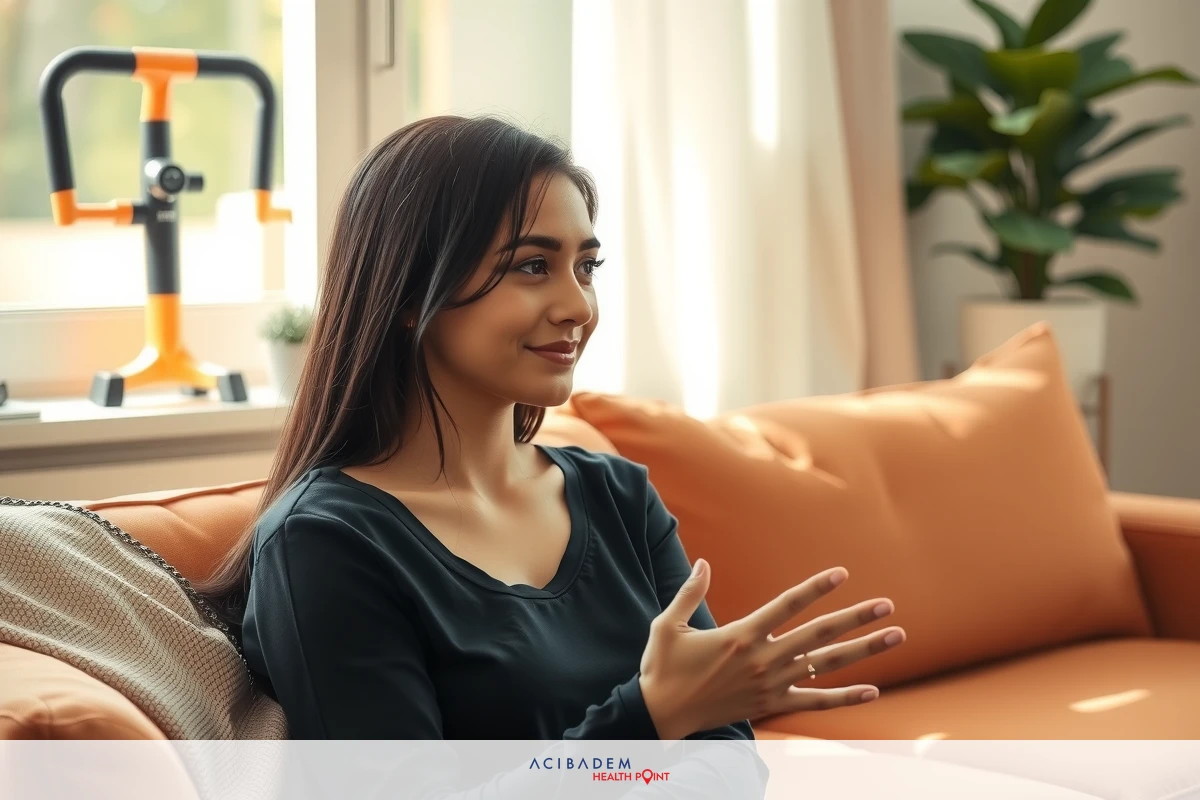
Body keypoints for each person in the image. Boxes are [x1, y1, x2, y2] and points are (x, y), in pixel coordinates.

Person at [196, 115, 907, 741]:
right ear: (411, 294)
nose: (578, 306)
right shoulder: (325, 544)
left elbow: (727, 764)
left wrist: (678, 720)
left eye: (586, 267)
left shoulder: (617, 497)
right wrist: (651, 720)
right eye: (534, 266)